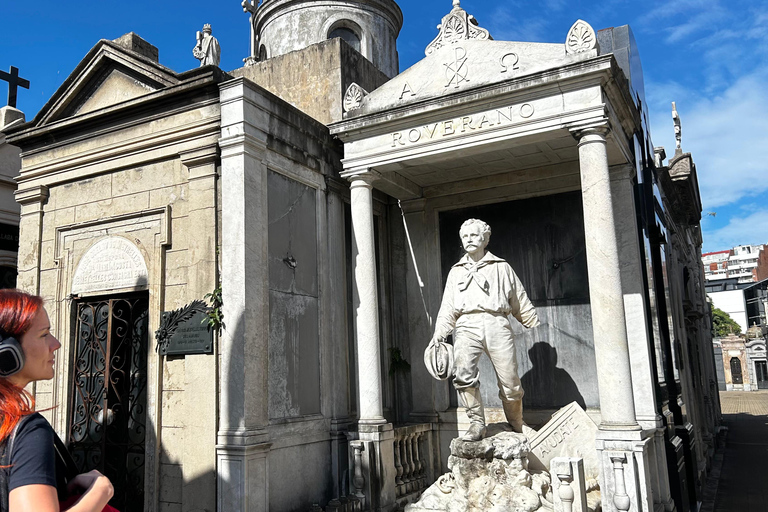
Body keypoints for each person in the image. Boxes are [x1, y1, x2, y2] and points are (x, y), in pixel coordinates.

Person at [0, 290, 114, 511]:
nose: (56, 344)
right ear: (7, 353)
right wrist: (101, 492)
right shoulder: (27, 431)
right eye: (44, 334)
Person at [429, 219, 539, 441]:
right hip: (466, 325)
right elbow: (448, 308)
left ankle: (517, 422)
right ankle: (476, 423)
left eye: (474, 235)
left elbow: (519, 298)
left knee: (510, 382)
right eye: (465, 236)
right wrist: (439, 334)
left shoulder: (501, 267)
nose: (469, 239)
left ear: (485, 239)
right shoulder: (456, 272)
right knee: (463, 376)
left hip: (496, 322)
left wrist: (532, 321)